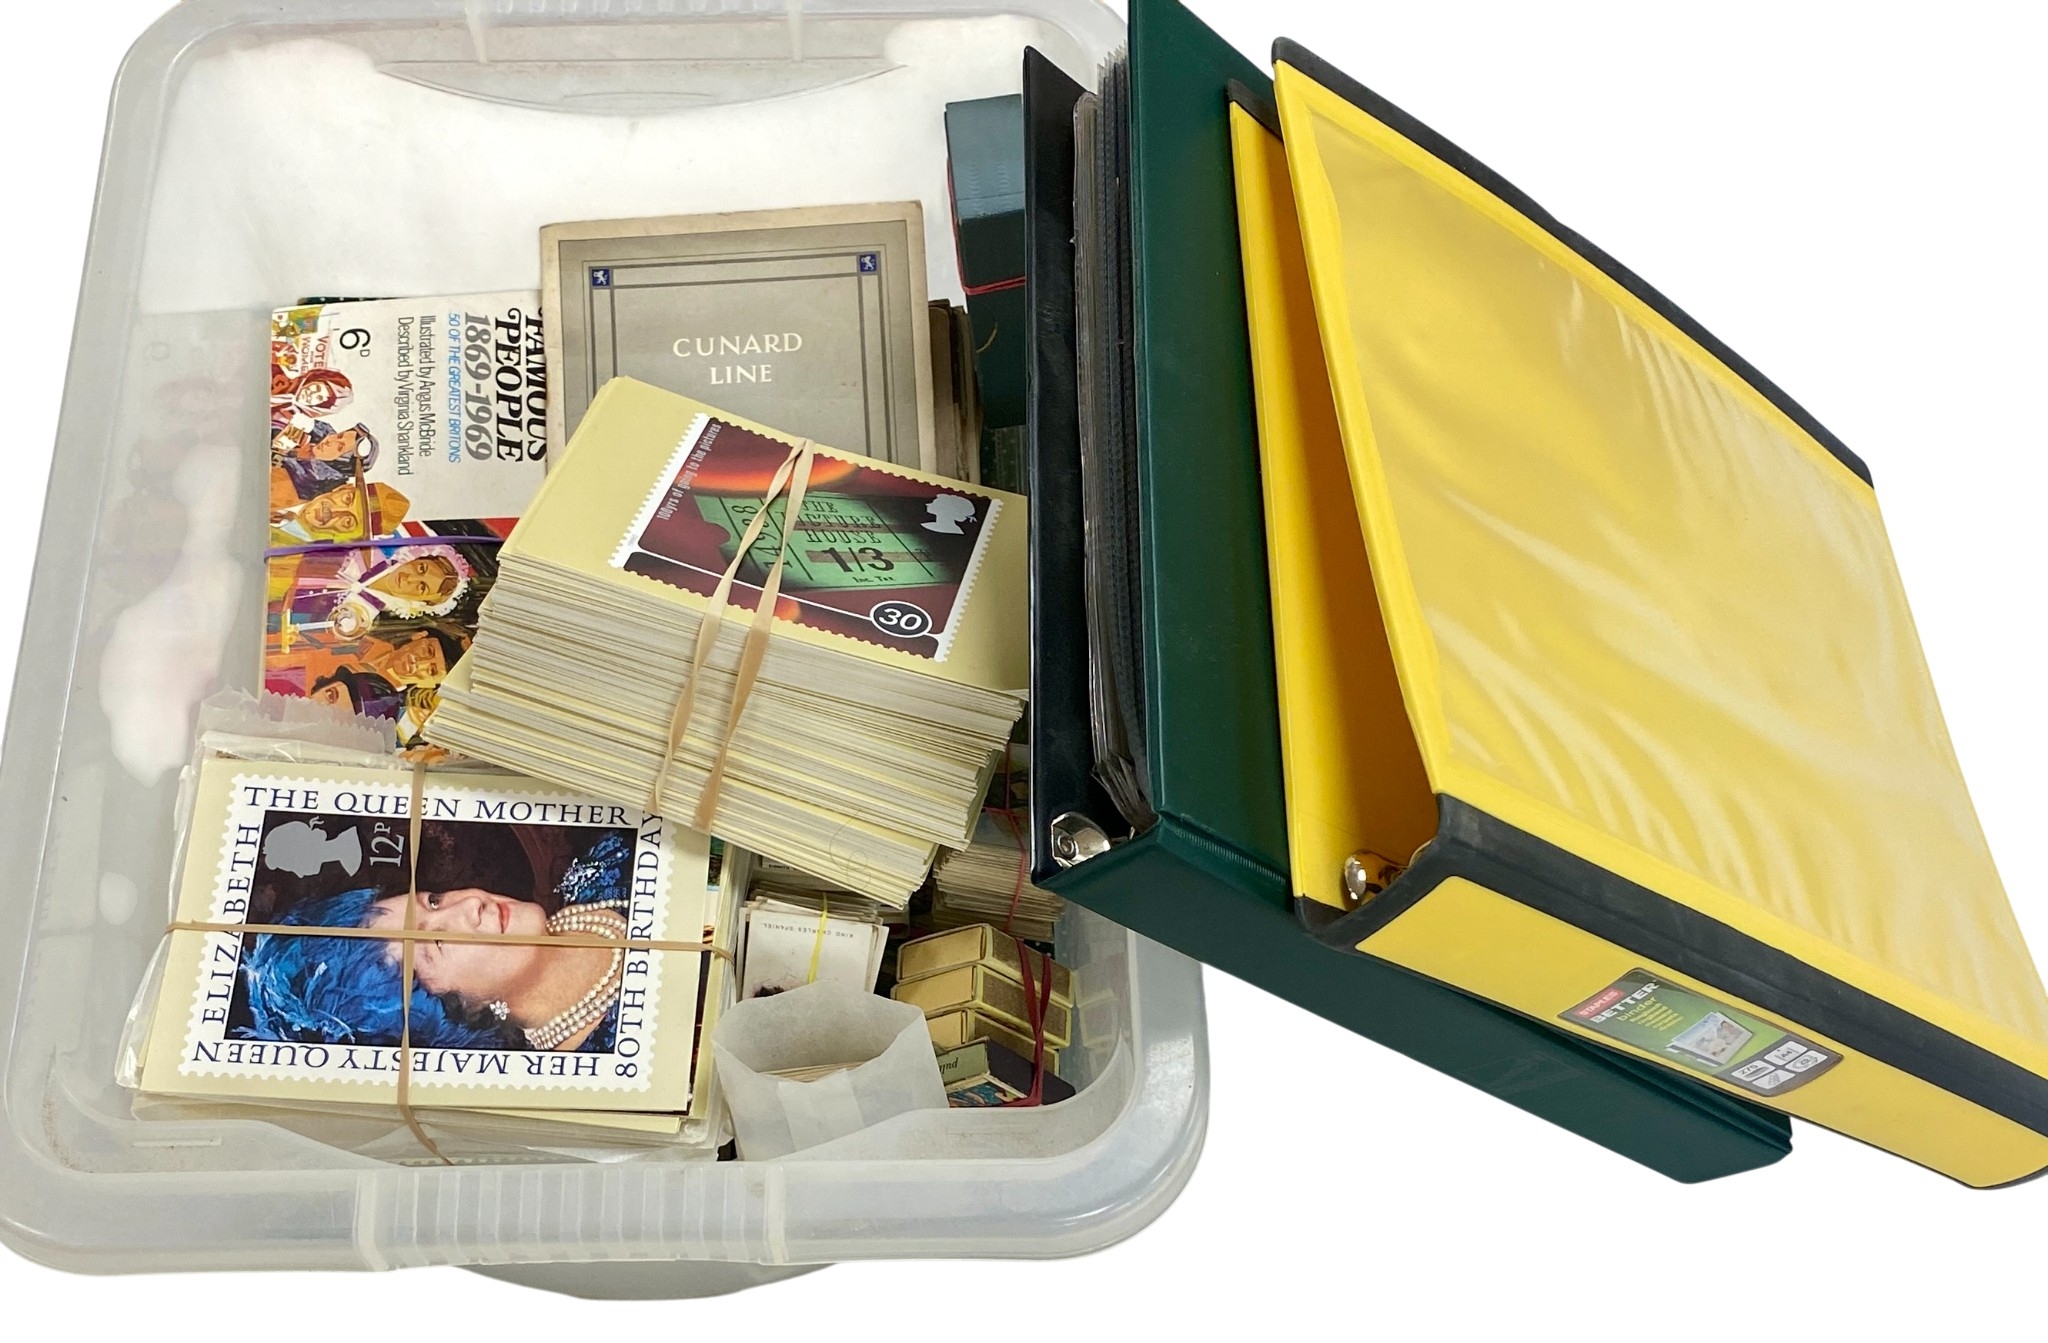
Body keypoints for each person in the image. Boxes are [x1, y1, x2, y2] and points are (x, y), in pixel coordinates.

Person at [236, 830, 636, 1053]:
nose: (471, 905)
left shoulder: (609, 859)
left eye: (433, 901)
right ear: (458, 1013)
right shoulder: (608, 1066)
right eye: (438, 941)